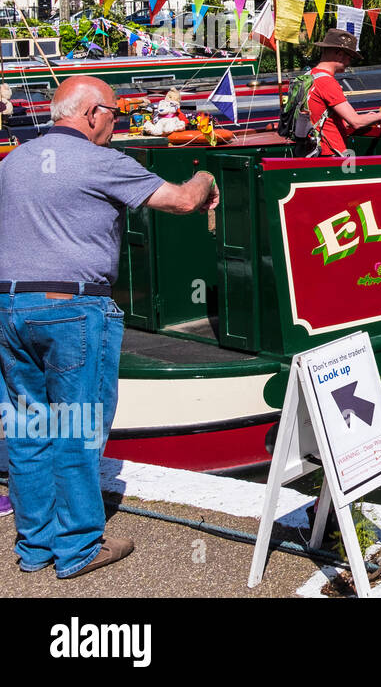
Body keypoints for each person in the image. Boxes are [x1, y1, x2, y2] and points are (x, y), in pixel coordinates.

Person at [0, 76, 219, 579]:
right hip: (71, 310)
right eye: (116, 115)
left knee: (28, 428)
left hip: (9, 308)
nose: (116, 125)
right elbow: (183, 201)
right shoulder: (101, 161)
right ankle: (78, 548)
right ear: (93, 114)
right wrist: (205, 176)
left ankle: (35, 547)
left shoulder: (13, 162)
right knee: (77, 427)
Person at [306, 28, 381, 157]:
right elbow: (356, 122)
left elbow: (319, 116)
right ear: (339, 54)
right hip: (329, 154)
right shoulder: (327, 83)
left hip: (310, 151)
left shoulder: (309, 76)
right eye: (350, 57)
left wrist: (370, 118)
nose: (349, 62)